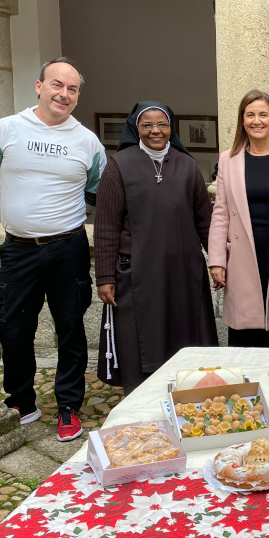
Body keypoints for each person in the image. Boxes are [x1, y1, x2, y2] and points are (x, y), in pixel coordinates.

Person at [0, 57, 106, 442]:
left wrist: (53, 217)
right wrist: (18, 213)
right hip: (18, 250)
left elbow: (96, 194)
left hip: (68, 247)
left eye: (72, 89)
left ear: (78, 96)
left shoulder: (87, 141)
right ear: (39, 86)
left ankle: (68, 406)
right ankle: (21, 401)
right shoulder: (6, 130)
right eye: (57, 85)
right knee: (13, 327)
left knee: (70, 327)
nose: (63, 94)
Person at [93, 101, 217, 394]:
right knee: (143, 336)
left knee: (185, 333)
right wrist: (104, 278)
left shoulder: (187, 165)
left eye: (161, 124)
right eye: (147, 125)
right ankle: (143, 395)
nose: (155, 131)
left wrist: (217, 262)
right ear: (136, 128)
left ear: (171, 128)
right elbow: (106, 226)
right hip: (137, 270)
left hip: (184, 270)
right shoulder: (118, 166)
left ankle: (189, 391)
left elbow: (205, 220)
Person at [208, 89, 269, 347]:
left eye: (263, 114)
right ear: (242, 120)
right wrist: (217, 261)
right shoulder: (228, 160)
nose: (257, 121)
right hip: (241, 255)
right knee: (243, 334)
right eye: (250, 114)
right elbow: (220, 213)